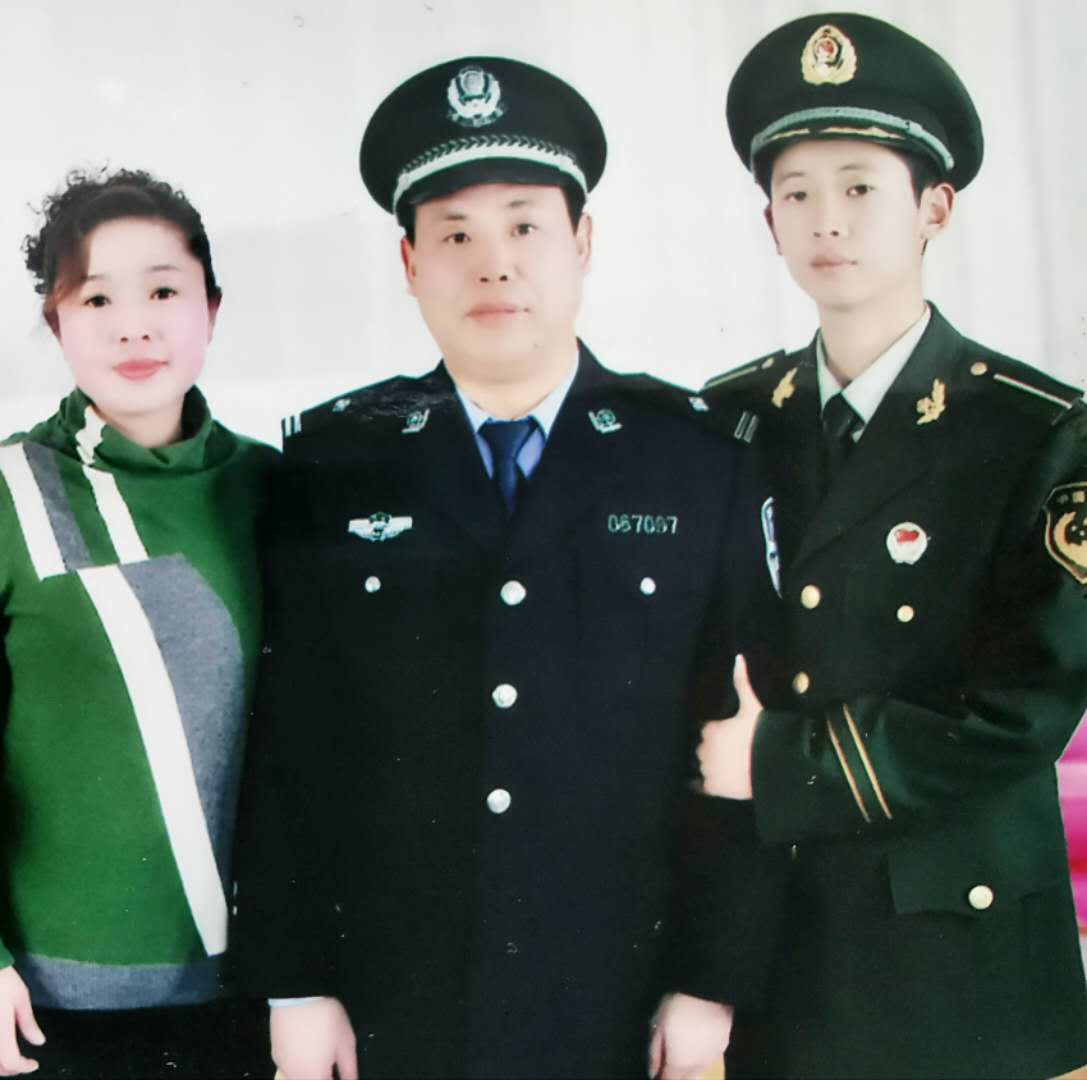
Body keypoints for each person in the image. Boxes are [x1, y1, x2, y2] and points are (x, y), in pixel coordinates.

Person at [234, 55, 786, 1080]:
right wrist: (297, 983)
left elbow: (741, 740)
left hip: (619, 990)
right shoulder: (333, 462)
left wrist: (709, 981)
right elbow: (292, 740)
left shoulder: (698, 458)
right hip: (396, 989)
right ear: (409, 262)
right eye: (454, 235)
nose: (493, 266)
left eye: (525, 227)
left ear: (583, 243)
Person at [698, 12, 1087, 1079]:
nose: (826, 219)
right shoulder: (727, 421)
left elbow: (1027, 706)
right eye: (795, 193)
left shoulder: (1038, 430)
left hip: (957, 955)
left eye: (861, 186)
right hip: (782, 948)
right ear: (768, 222)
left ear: (934, 207)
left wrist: (776, 761)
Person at [0, 168, 276, 1078]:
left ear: (211, 308)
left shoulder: (277, 488)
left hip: (265, 994)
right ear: (55, 322)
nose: (134, 326)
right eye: (96, 298)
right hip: (57, 1008)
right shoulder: (10, 492)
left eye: (163, 291)